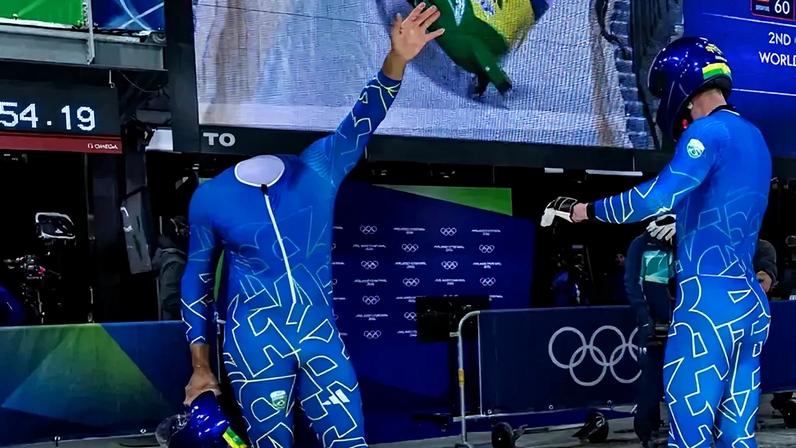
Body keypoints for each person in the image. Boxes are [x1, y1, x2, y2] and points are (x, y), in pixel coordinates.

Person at [180, 5, 444, 448]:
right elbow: (196, 283)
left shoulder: (318, 169)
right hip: (253, 345)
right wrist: (200, 366)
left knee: (348, 441)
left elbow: (361, 122)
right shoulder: (211, 197)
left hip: (318, 334)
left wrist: (396, 59)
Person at [541, 37, 772, 447]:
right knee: (738, 435)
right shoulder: (753, 137)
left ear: (681, 87)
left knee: (690, 437)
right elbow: (725, 207)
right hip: (749, 305)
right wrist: (682, 221)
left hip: (708, 306)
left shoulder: (707, 132)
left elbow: (655, 197)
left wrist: (582, 211)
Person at [625, 215, 676, 447]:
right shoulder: (642, 245)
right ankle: (647, 431)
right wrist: (646, 320)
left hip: (683, 325)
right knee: (651, 380)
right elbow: (633, 284)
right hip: (655, 326)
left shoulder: (684, 242)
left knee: (684, 379)